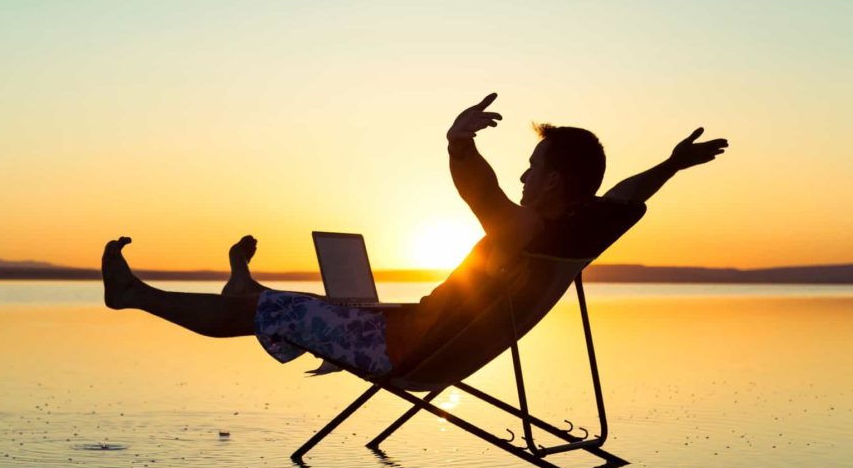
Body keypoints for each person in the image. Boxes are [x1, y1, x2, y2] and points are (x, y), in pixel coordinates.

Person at [102, 93, 728, 378]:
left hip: (404, 352)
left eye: (533, 168)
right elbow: (626, 194)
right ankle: (250, 288)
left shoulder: (525, 227)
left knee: (267, 315)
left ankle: (136, 296)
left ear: (556, 180)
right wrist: (671, 165)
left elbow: (480, 192)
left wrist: (457, 140)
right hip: (432, 340)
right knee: (313, 307)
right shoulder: (586, 227)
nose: (522, 174)